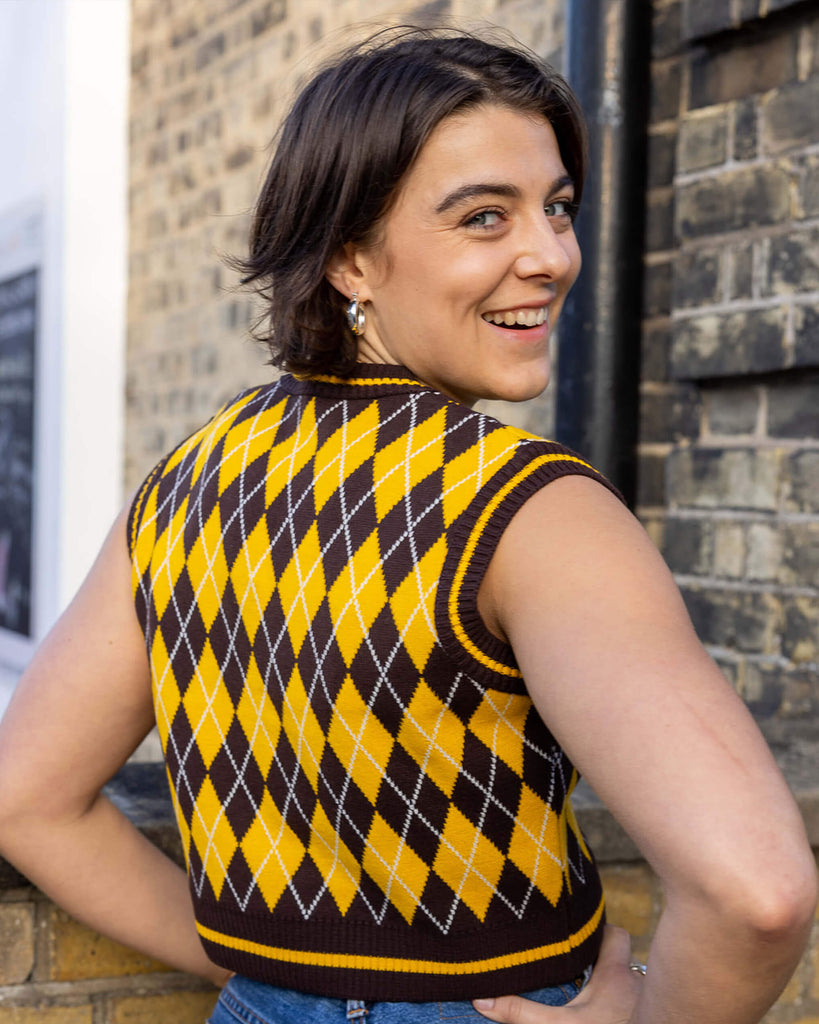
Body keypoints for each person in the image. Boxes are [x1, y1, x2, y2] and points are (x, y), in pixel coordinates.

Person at [0, 27, 814, 1024]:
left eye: (557, 207)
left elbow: (24, 796)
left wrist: (264, 979)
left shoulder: (179, 490)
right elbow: (759, 894)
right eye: (484, 218)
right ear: (350, 259)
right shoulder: (526, 509)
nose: (551, 254)